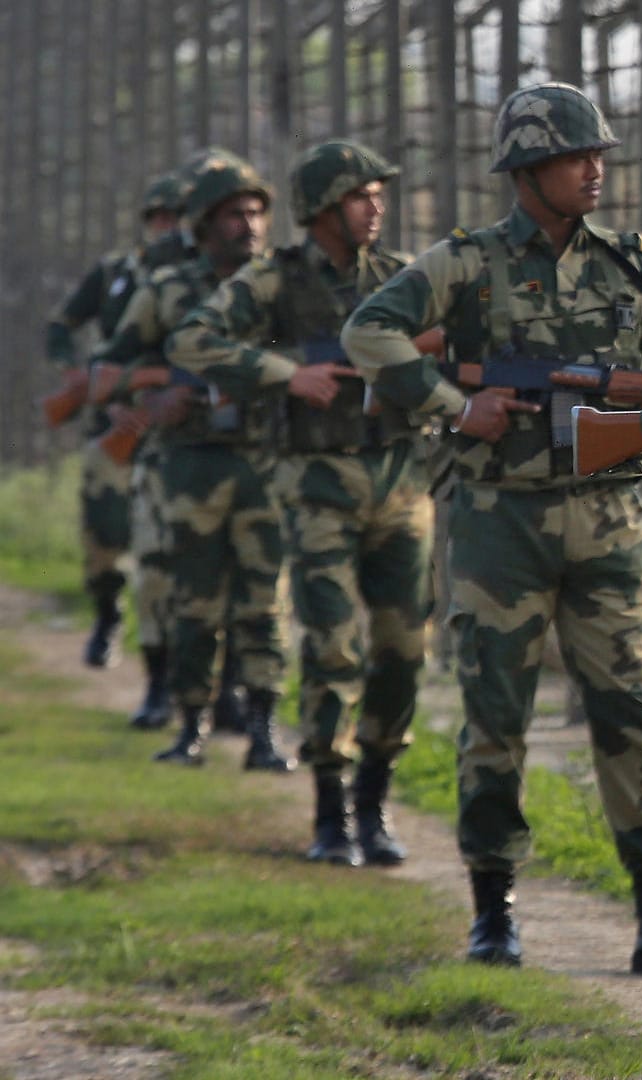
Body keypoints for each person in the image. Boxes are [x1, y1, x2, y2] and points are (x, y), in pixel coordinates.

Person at [341, 82, 642, 977]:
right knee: (495, 718)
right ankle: (493, 913)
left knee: (633, 714)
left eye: (599, 154)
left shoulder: (630, 261)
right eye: (576, 156)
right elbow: (371, 332)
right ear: (528, 171)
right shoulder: (467, 263)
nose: (596, 169)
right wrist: (453, 406)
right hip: (498, 523)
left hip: (607, 521)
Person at [170, 141, 429, 866]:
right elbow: (194, 341)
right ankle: (329, 813)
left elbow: (464, 344)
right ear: (322, 210)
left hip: (400, 480)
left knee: (403, 650)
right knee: (330, 643)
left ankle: (374, 804)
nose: (375, 207)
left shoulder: (403, 277)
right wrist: (287, 374)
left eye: (379, 195)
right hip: (315, 484)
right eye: (360, 196)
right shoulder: (274, 282)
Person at [96, 149, 292, 771]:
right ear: (205, 222)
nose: (251, 225)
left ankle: (263, 730)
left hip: (263, 462)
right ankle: (190, 726)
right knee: (193, 605)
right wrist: (158, 393)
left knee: (264, 603)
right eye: (235, 213)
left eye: (258, 212)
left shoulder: (283, 287)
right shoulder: (167, 289)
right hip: (189, 465)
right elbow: (109, 371)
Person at [46, 173, 191, 680]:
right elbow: (61, 325)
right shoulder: (114, 272)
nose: (168, 226)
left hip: (170, 419)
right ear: (148, 220)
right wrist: (77, 379)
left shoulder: (196, 278)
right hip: (112, 421)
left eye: (177, 217)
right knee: (104, 531)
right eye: (161, 217)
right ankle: (108, 617)